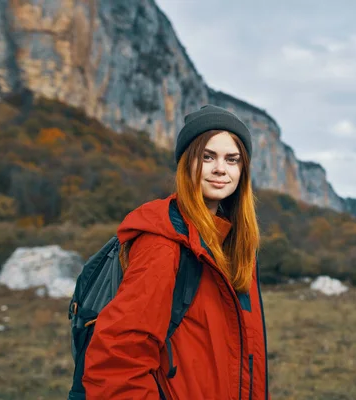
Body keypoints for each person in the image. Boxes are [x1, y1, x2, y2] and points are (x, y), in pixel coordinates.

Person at [83, 105, 270, 399]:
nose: (220, 168)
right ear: (187, 164)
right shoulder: (163, 243)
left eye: (232, 159)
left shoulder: (234, 245)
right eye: (207, 157)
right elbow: (117, 363)